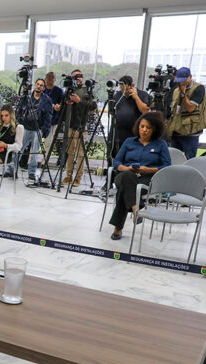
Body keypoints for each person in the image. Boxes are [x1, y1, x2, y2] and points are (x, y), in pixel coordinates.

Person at [108, 112, 171, 240]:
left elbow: (167, 166)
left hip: (147, 178)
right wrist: (127, 168)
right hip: (126, 174)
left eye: (148, 128)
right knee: (126, 177)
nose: (144, 130)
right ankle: (137, 209)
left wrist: (148, 169)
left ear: (155, 130)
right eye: (142, 126)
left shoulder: (160, 144)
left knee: (124, 190)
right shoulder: (129, 142)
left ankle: (118, 229)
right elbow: (117, 162)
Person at [61, 69, 97, 187]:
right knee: (70, 152)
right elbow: (64, 106)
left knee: (81, 153)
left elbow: (92, 107)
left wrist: (79, 101)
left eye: (79, 76)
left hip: (82, 125)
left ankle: (78, 178)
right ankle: (68, 176)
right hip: (70, 124)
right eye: (75, 76)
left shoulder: (87, 90)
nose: (78, 78)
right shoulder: (69, 90)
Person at [15, 78, 53, 181]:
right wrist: (19, 124)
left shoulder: (47, 100)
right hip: (25, 127)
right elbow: (18, 111)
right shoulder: (26, 98)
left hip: (37, 129)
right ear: (35, 85)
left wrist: (44, 129)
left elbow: (48, 116)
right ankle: (12, 169)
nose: (39, 86)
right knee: (18, 149)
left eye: (41, 85)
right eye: (37, 84)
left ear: (44, 88)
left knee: (35, 152)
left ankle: (31, 172)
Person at [166, 67, 206, 161]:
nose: (182, 83)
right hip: (176, 130)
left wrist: (183, 93)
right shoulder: (176, 90)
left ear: (190, 77)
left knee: (189, 159)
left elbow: (190, 108)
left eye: (184, 80)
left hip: (190, 132)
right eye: (179, 80)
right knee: (174, 158)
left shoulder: (198, 88)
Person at [111, 75, 151, 164]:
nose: (123, 92)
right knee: (118, 158)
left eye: (125, 90)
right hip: (119, 134)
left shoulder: (142, 94)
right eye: (121, 90)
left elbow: (145, 111)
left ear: (130, 86)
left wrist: (136, 98)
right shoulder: (117, 95)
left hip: (134, 134)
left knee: (132, 158)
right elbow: (112, 111)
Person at [41, 72, 64, 155]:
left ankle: (45, 161)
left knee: (49, 142)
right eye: (48, 77)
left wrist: (59, 107)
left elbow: (63, 104)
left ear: (55, 79)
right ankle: (31, 161)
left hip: (53, 120)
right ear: (45, 78)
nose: (50, 79)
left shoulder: (59, 91)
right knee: (35, 141)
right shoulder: (41, 89)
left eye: (52, 77)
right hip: (40, 120)